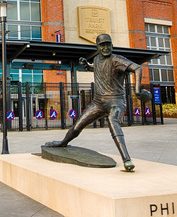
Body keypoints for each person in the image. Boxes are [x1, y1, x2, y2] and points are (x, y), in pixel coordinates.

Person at [44, 33, 148, 172]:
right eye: (102, 45)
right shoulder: (96, 59)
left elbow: (137, 68)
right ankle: (63, 143)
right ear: (97, 47)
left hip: (115, 101)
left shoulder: (117, 60)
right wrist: (88, 65)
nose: (106, 47)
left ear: (112, 45)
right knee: (78, 125)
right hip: (98, 102)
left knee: (113, 122)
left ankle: (126, 159)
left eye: (108, 44)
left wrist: (137, 91)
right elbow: (97, 68)